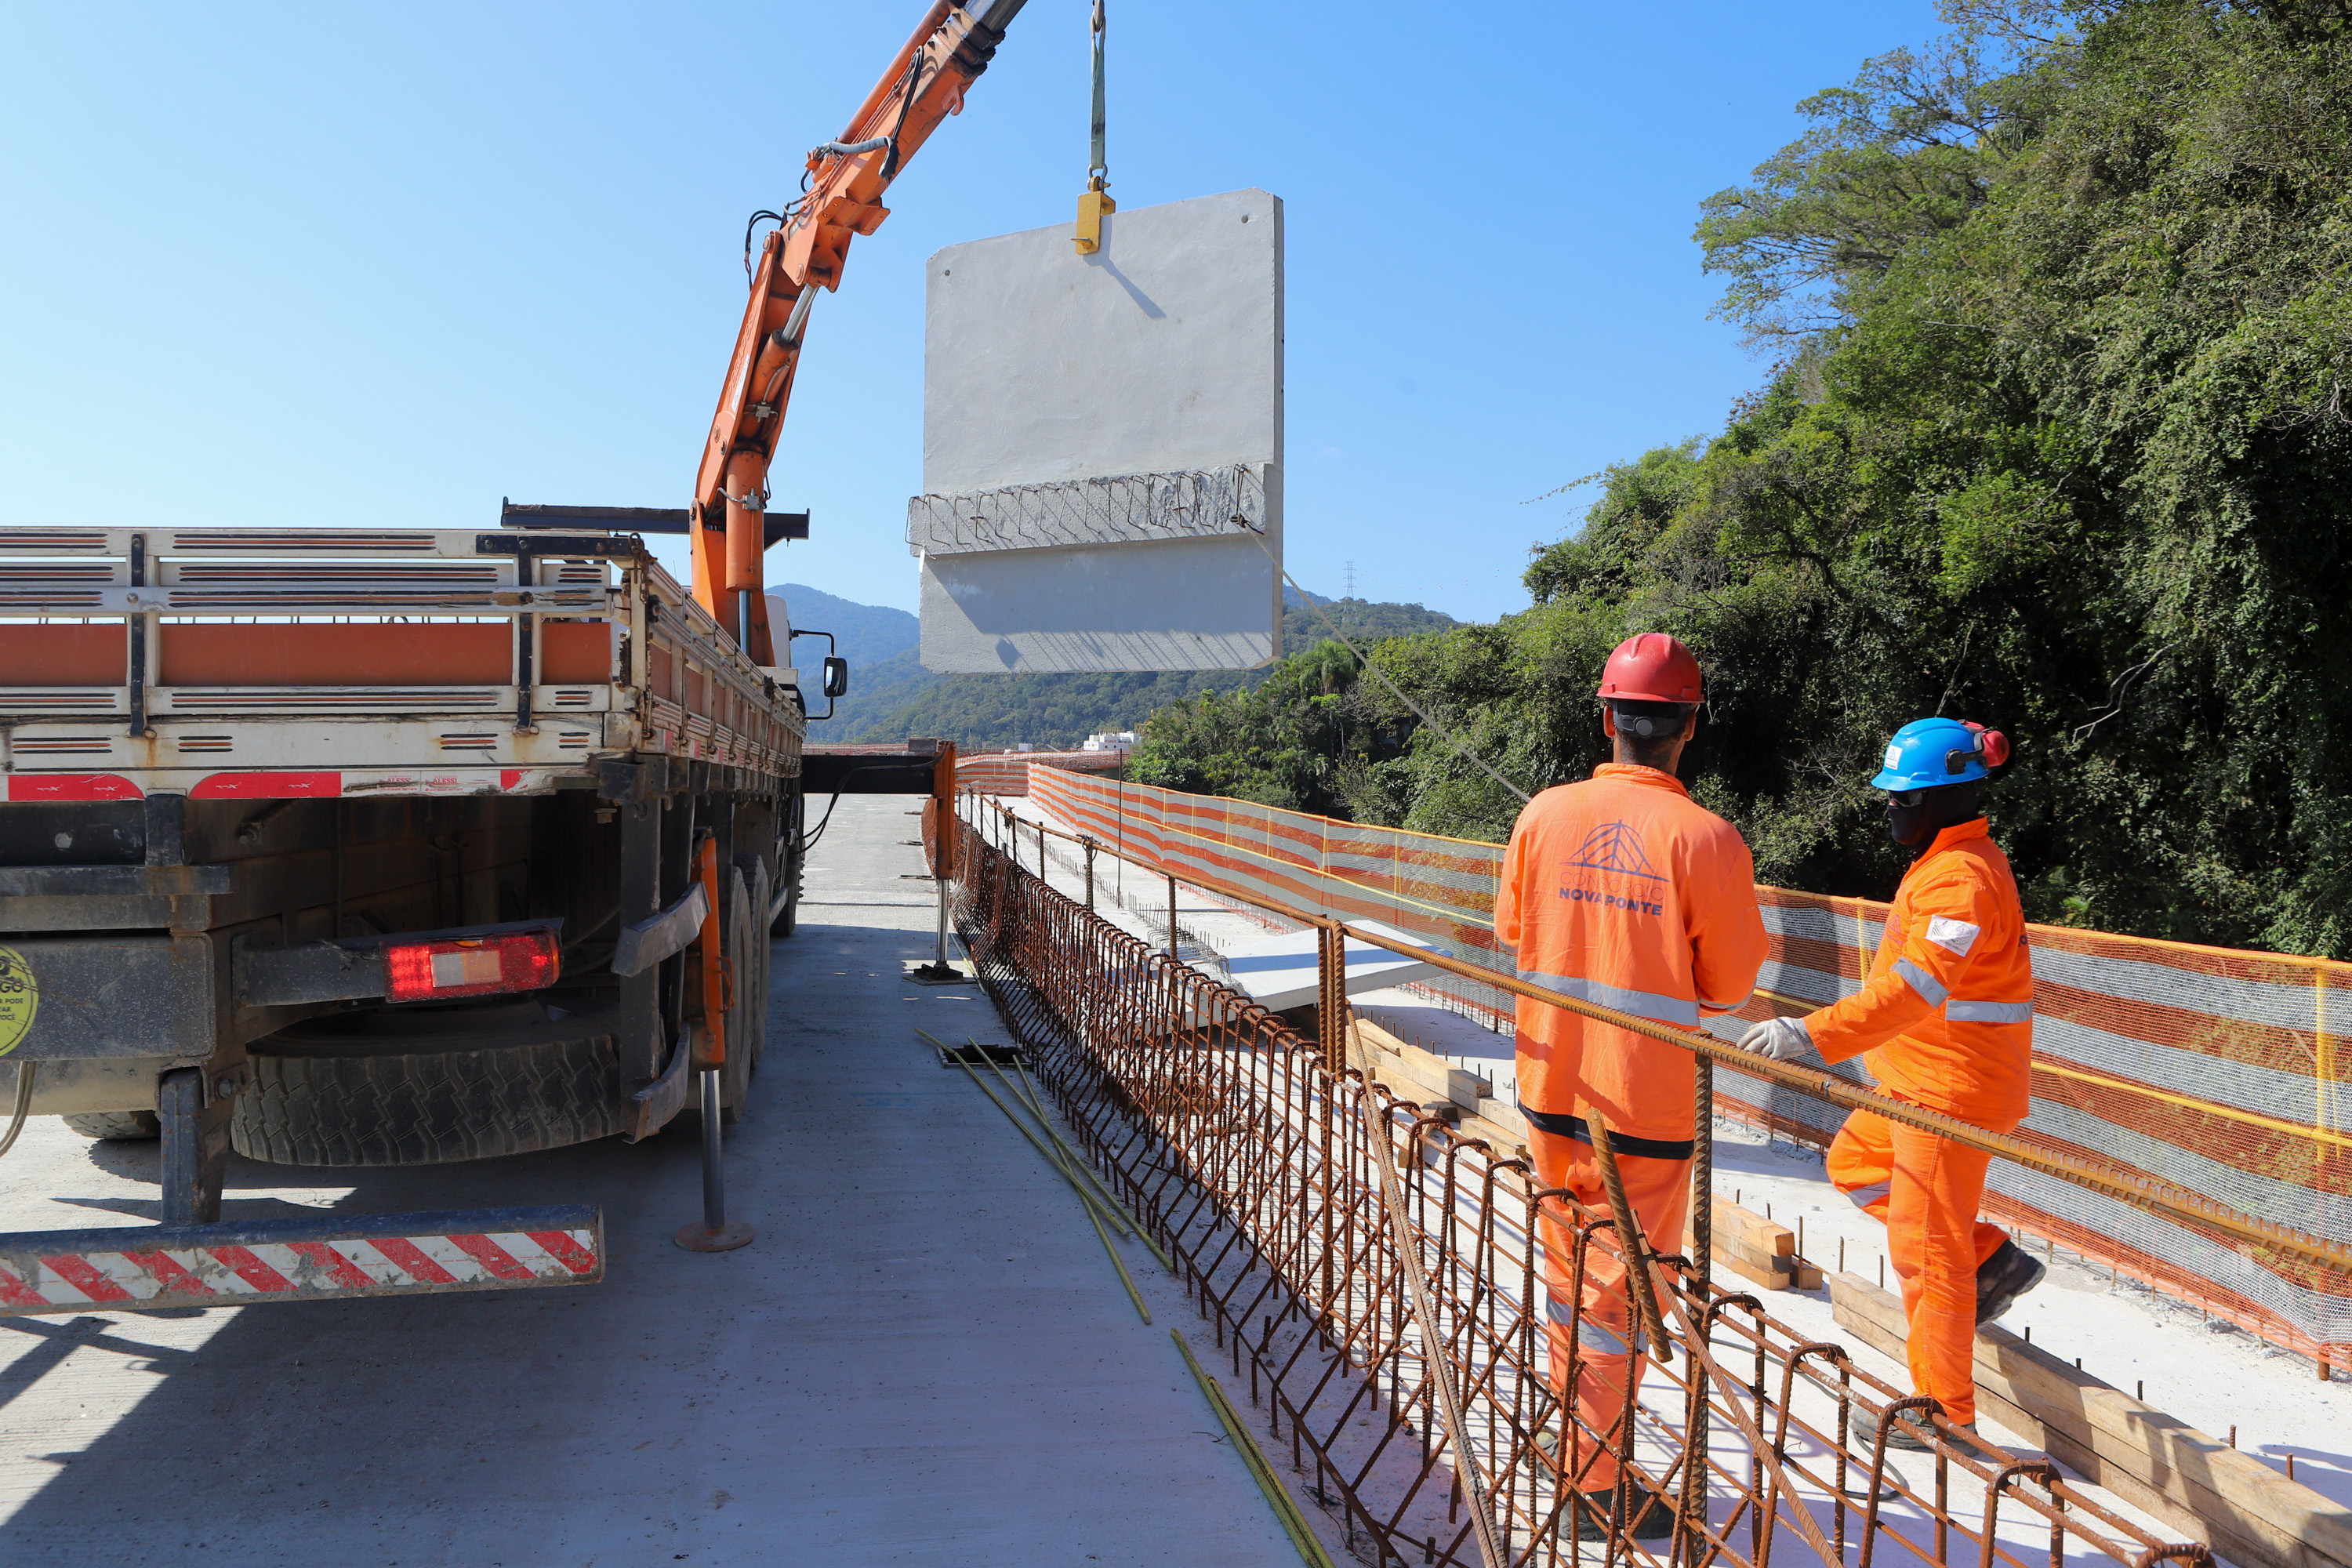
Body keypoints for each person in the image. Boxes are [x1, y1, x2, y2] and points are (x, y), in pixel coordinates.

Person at [1495, 632, 1768, 1539]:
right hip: (1642, 1112)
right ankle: (1593, 1482)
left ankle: (1576, 1442)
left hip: (1550, 1091)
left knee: (1571, 1273)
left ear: (1607, 717)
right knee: (1615, 1294)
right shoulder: (1709, 839)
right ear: (1690, 727)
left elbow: (1510, 929)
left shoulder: (1541, 813)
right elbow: (1727, 986)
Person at [1733, 716, 2045, 1454]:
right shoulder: (1944, 864)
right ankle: (1988, 1258)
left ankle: (1945, 1413)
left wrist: (1810, 1034)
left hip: (1949, 1092)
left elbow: (1912, 994)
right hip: (1914, 1082)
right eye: (1892, 796)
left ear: (1953, 797)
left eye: (1906, 798)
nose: (1892, 808)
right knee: (1854, 1165)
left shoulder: (1961, 881)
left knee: (1925, 1252)